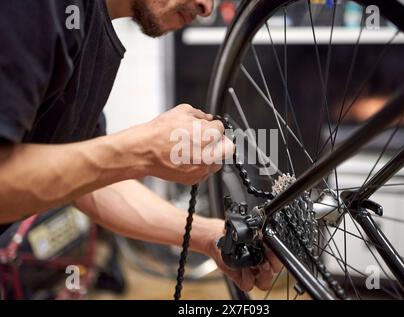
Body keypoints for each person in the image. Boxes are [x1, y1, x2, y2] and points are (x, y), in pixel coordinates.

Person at [0, 0, 281, 292]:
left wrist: (212, 236)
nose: (206, 7)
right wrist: (141, 151)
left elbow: (89, 184)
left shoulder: (91, 29)